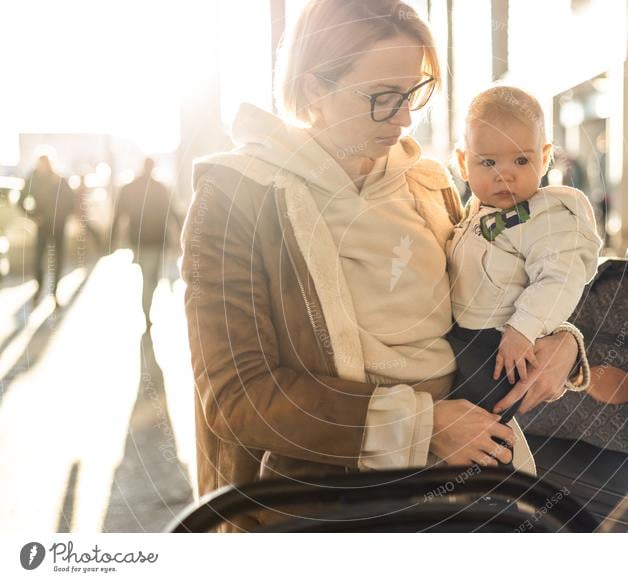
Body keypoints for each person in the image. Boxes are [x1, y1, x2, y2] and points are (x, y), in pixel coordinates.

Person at [181, 0, 590, 532]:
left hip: (473, 477)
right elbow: (239, 397)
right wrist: (420, 428)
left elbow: (500, 284)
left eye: (413, 93)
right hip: (318, 502)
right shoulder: (237, 198)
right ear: (313, 92)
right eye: (382, 98)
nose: (403, 118)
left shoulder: (428, 181)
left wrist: (561, 341)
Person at [446, 86, 602, 471]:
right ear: (464, 164)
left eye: (520, 160)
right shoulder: (473, 212)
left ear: (545, 158)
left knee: (486, 429)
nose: (505, 176)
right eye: (487, 163)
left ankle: (507, 493)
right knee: (474, 430)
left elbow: (560, 279)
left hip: (499, 344)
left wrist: (524, 329)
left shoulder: (545, 217)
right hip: (464, 338)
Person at [111, 158, 181, 327]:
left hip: (140, 239)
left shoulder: (130, 187)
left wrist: (112, 239)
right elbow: (172, 212)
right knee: (153, 278)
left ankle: (146, 309)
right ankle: (146, 311)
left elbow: (119, 213)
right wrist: (180, 233)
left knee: (148, 276)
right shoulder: (160, 188)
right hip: (156, 239)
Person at [20, 154, 75, 303]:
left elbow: (72, 201)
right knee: (38, 259)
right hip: (42, 225)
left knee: (58, 259)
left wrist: (62, 216)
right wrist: (33, 216)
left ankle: (54, 291)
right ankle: (39, 288)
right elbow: (21, 200)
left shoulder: (58, 179)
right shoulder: (33, 179)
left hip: (58, 226)